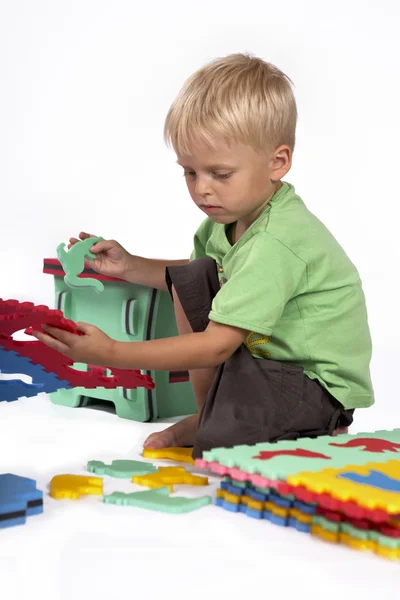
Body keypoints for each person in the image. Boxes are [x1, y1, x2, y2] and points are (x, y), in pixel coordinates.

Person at [32, 53, 374, 459]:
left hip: (313, 387)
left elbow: (216, 347)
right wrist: (128, 265)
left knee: (218, 453)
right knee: (194, 277)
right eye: (189, 172)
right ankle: (209, 413)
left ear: (277, 162)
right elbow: (198, 280)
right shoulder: (227, 219)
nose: (201, 190)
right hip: (265, 366)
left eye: (220, 174)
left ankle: (310, 425)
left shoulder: (277, 241)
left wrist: (112, 355)